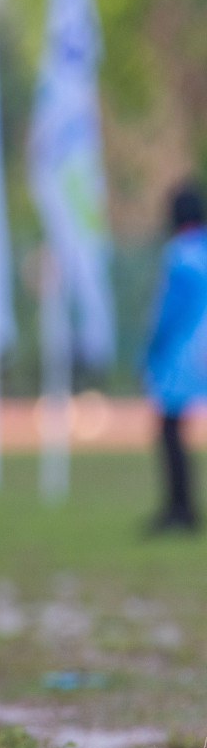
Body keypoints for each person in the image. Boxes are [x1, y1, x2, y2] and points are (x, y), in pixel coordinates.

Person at [143, 181, 207, 535]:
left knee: (170, 430)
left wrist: (150, 349)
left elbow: (168, 312)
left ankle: (179, 508)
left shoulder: (180, 253)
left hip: (181, 354)